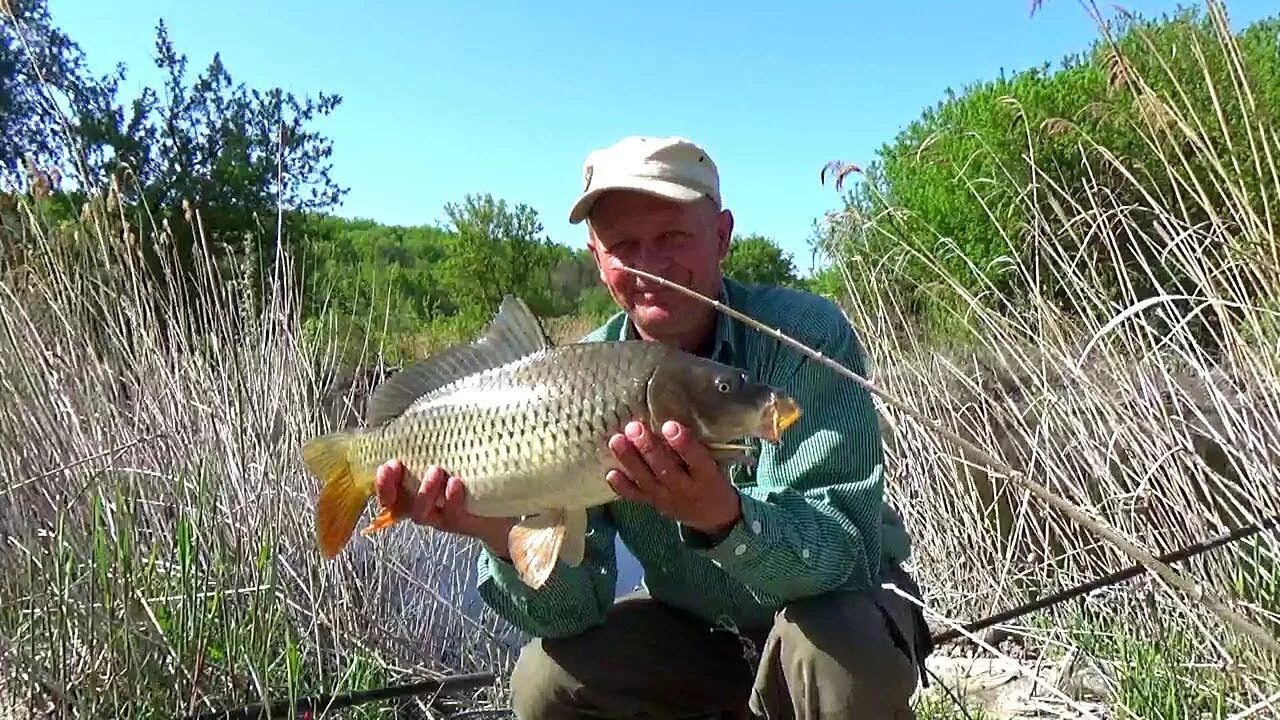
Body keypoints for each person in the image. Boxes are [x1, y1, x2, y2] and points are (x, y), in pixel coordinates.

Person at [372, 135, 932, 718]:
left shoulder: (803, 336)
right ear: (596, 257)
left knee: (833, 652)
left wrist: (724, 518)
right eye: (624, 246)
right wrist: (491, 530)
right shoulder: (582, 378)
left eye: (672, 238)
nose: (650, 267)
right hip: (696, 631)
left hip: (840, 612)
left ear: (721, 235)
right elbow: (576, 609)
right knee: (544, 684)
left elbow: (848, 550)